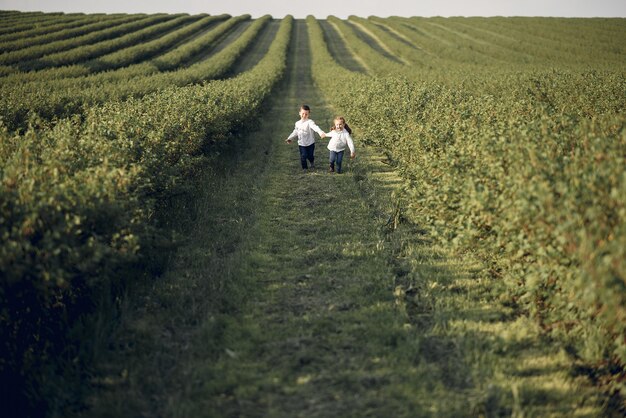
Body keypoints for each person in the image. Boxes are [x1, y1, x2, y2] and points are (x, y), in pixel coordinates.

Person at [285, 104, 326, 172]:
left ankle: (312, 162)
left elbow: (316, 128)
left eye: (306, 114)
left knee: (310, 156)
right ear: (299, 113)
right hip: (301, 143)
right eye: (303, 113)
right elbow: (295, 132)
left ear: (308, 114)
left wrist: (321, 133)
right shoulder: (297, 123)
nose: (304, 115)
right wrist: (290, 138)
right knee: (303, 156)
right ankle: (305, 168)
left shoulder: (310, 122)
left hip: (310, 143)